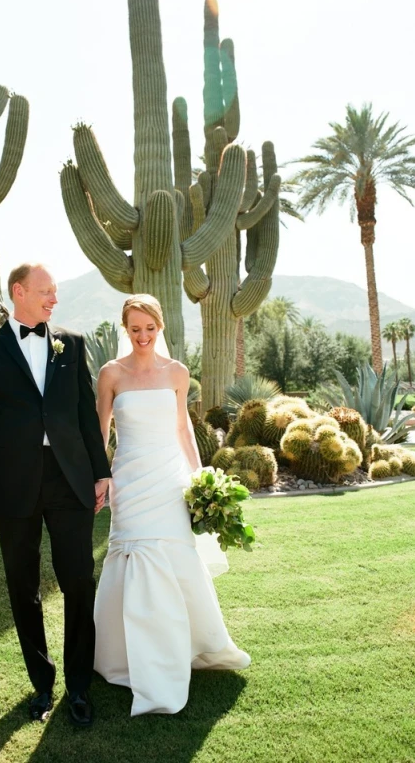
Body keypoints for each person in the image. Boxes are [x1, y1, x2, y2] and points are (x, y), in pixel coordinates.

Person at [0, 262, 111, 727]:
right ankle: (42, 685)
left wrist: (100, 472)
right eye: (45, 291)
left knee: (79, 581)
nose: (53, 299)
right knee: (23, 587)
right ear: (19, 292)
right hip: (11, 484)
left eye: (55, 292)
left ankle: (79, 687)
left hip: (70, 478)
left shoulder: (72, 343)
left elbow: (86, 412)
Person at [94, 294, 250, 717]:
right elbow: (99, 431)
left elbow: (182, 428)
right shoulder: (110, 374)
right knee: (132, 556)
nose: (142, 336)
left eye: (149, 328)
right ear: (125, 330)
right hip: (129, 480)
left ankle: (185, 648)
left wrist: (202, 476)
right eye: (134, 329)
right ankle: (125, 658)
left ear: (160, 328)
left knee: (174, 556)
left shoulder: (177, 372)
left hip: (169, 480)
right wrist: (101, 476)